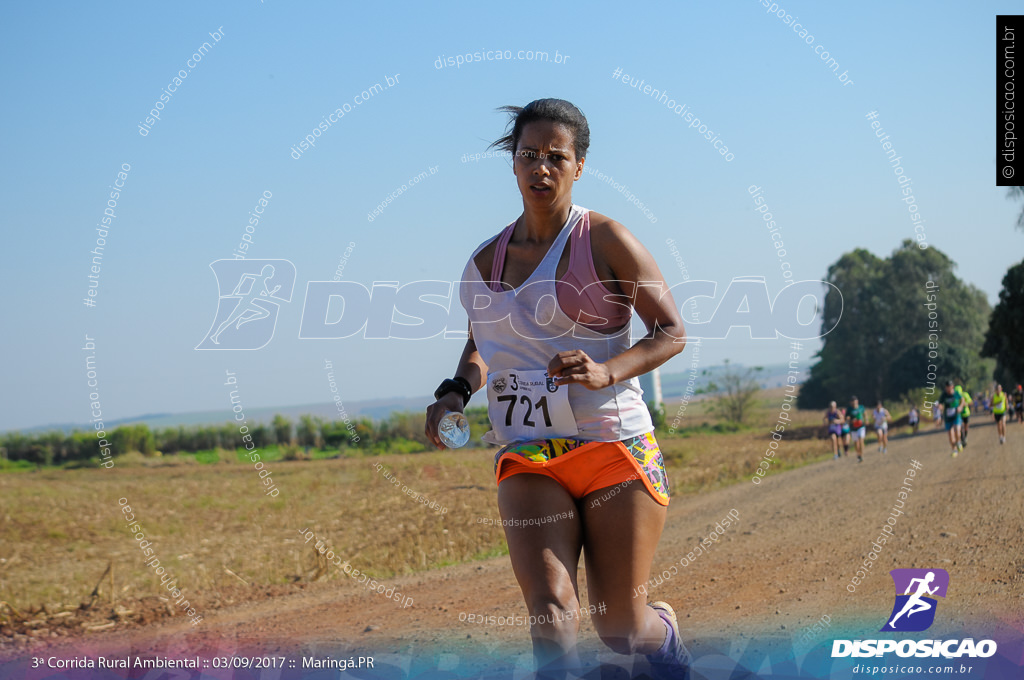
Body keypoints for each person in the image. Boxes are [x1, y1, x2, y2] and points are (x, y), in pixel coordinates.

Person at [424, 99, 690, 679]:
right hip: (530, 453)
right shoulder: (483, 263)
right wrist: (455, 391)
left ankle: (663, 635)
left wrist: (607, 371)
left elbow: (671, 332)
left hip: (612, 447)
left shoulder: (606, 240)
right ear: (512, 166)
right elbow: (483, 348)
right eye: (528, 156)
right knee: (550, 613)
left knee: (620, 627)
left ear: (580, 165)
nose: (540, 168)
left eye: (555, 157)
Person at [937, 381, 965, 457]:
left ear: (952, 387)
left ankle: (959, 442)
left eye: (949, 387)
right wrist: (940, 407)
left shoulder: (956, 393)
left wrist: (960, 406)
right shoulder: (944, 395)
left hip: (956, 415)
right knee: (950, 436)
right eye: (946, 387)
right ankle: (954, 450)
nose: (948, 389)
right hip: (947, 417)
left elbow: (962, 400)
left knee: (957, 430)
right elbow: (940, 403)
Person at [846, 397, 867, 463]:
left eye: (855, 401)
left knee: (861, 440)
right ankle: (858, 454)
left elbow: (865, 414)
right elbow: (847, 418)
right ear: (851, 402)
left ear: (857, 401)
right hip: (853, 428)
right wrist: (851, 420)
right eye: (853, 402)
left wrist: (866, 419)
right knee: (856, 443)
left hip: (861, 426)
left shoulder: (861, 407)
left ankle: (862, 455)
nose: (854, 403)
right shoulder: (849, 409)